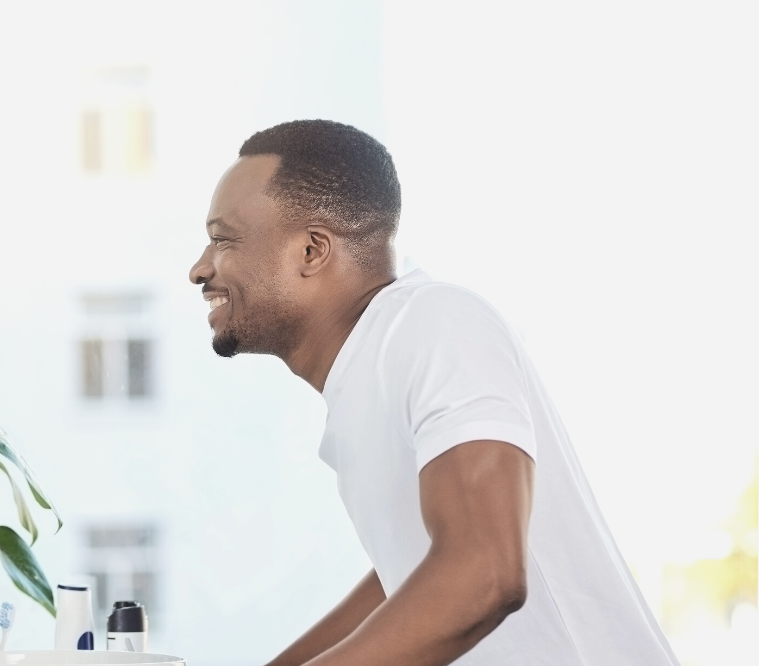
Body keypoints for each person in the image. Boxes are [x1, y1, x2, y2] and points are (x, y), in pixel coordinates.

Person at [189, 120, 678, 665]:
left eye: (222, 239)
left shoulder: (432, 321)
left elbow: (484, 574)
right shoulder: (364, 379)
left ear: (311, 250)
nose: (199, 268)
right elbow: (412, 576)